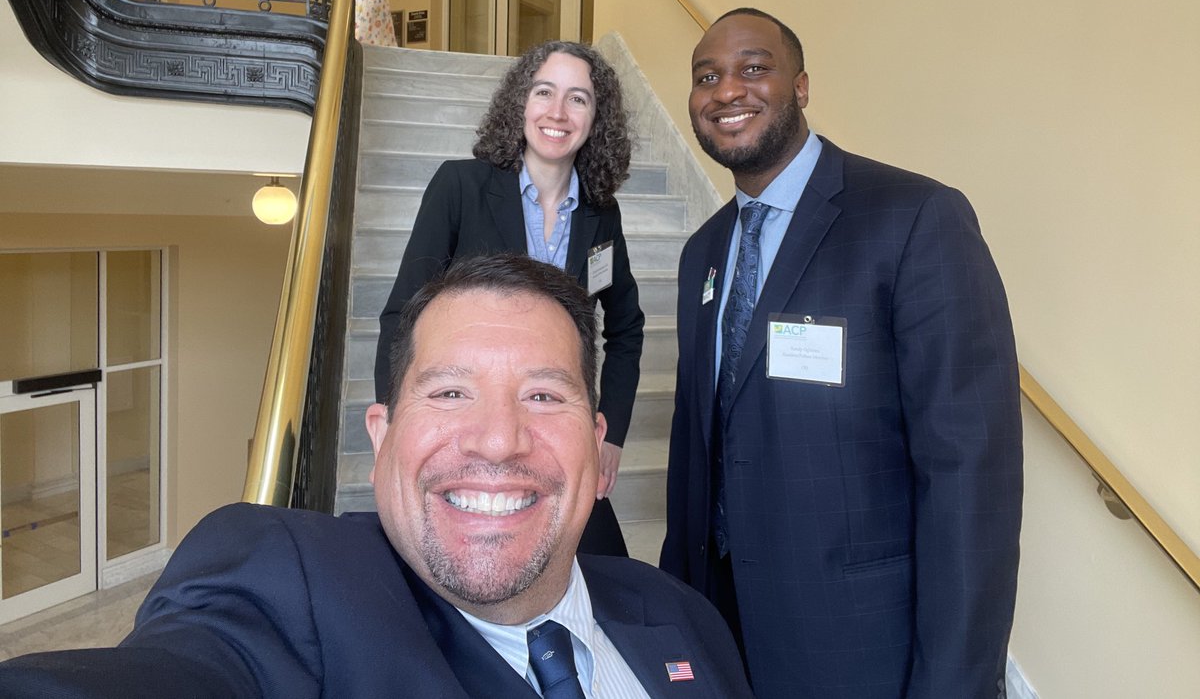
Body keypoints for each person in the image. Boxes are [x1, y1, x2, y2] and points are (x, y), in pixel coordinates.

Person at [0, 255, 753, 699]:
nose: (498, 439)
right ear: (381, 437)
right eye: (450, 391)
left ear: (598, 454)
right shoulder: (289, 583)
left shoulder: (683, 614)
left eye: (544, 395)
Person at [661, 8, 1023, 699]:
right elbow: (696, 443)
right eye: (707, 77)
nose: (727, 90)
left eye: (753, 68)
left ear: (800, 87)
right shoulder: (702, 253)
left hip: (861, 642)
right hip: (724, 629)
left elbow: (969, 469)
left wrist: (958, 681)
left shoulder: (913, 218)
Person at [375, 40, 644, 557]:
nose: (558, 113)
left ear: (595, 118)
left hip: (551, 419)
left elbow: (626, 328)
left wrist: (610, 433)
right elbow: (401, 315)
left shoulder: (600, 213)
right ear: (521, 101)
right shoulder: (460, 186)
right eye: (544, 92)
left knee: (606, 565)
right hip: (472, 418)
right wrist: (397, 422)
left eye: (578, 99)